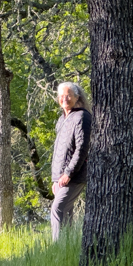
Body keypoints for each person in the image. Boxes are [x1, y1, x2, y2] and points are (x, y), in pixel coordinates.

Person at [50, 81, 92, 242]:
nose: (64, 99)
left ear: (77, 97)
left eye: (68, 95)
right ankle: (68, 249)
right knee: (66, 214)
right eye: (61, 96)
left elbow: (82, 148)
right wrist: (56, 179)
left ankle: (56, 249)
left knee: (57, 209)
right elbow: (59, 152)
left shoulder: (82, 116)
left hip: (74, 176)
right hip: (60, 178)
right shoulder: (62, 120)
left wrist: (68, 173)